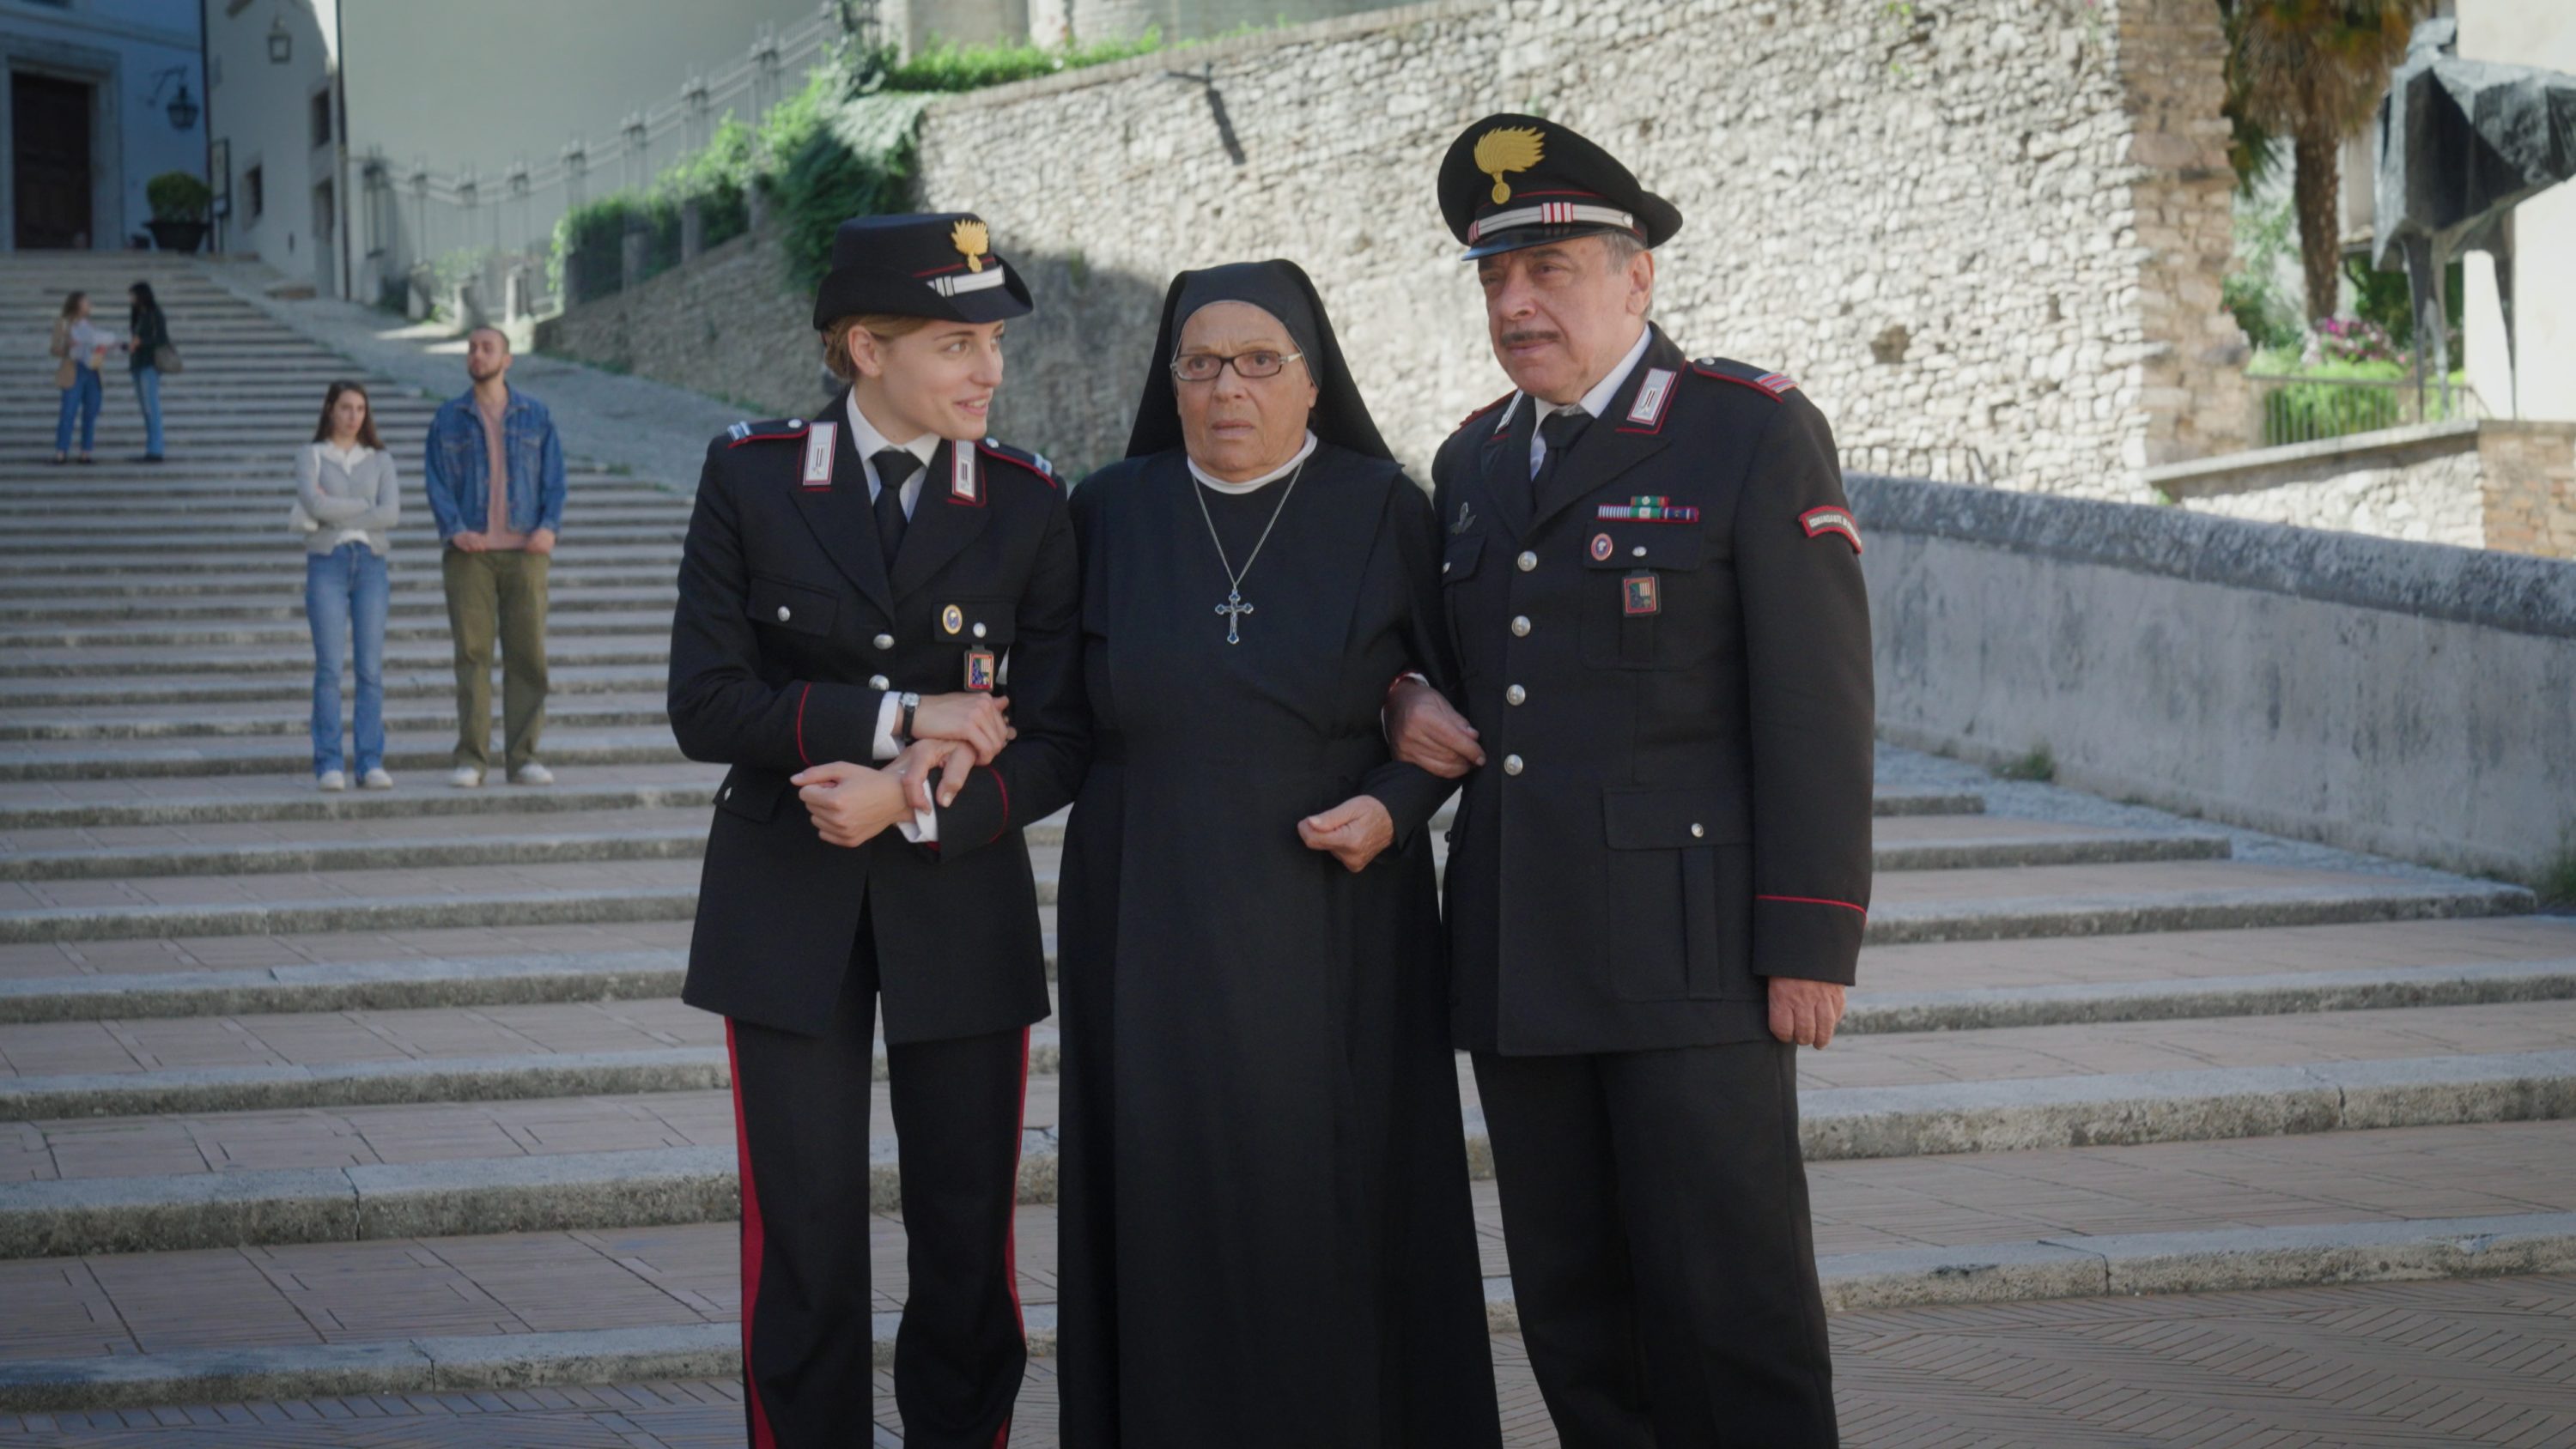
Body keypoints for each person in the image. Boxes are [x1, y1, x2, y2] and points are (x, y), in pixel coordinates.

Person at [1386, 115, 1873, 1446]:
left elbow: (1819, 705)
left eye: (1551, 270)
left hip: (1692, 953)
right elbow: (1445, 673)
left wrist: (1810, 936)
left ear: (1638, 277)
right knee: (1574, 1307)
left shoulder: (1745, 432)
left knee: (1731, 1301)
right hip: (1518, 949)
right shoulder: (1474, 461)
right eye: (1495, 279)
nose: (1518, 302)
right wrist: (1401, 698)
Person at [1052, 261, 1501, 1449]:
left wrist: (1395, 806)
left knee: (1334, 1207)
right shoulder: (1110, 510)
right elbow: (1052, 723)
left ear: (1314, 380)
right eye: (1198, 364)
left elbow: (1453, 713)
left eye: (1259, 363)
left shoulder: (1381, 506)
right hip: (1145, 922)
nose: (1225, 389)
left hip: (1336, 924)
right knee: (1164, 1206)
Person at [666, 212, 1083, 1447]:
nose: (989, 371)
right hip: (782, 905)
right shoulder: (749, 475)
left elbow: (1062, 735)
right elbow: (705, 702)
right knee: (802, 1241)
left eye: (992, 344)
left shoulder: (1028, 503)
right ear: (864, 347)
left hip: (959, 901)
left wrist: (903, 794)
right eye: (958, 343)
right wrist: (902, 716)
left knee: (966, 1240)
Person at [423, 326, 564, 788]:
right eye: (472, 348)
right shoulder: (449, 418)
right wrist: (456, 530)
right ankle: (472, 759)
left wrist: (548, 526)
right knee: (472, 654)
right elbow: (436, 480)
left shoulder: (536, 416)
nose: (476, 355)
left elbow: (555, 477)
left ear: (507, 359)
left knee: (528, 656)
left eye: (487, 348)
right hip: (471, 555)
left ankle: (523, 757)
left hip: (526, 552)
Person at [297, 381, 400, 792]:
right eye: (345, 407)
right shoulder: (311, 456)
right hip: (327, 564)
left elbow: (390, 514)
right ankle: (329, 762)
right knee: (328, 668)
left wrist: (340, 512)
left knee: (370, 669)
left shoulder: (380, 460)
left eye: (360, 408)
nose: (353, 416)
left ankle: (370, 760)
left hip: (371, 566)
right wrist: (363, 508)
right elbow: (313, 505)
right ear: (329, 410)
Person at [49, 292, 112, 465]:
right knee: (68, 411)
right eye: (86, 302)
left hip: (92, 370)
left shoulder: (90, 324)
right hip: (73, 369)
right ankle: (61, 452)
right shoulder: (63, 324)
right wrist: (67, 347)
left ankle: (86, 452)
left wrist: (102, 349)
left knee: (90, 412)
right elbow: (54, 348)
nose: (89, 305)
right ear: (77, 304)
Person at [125, 282, 171, 464]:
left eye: (133, 295)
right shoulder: (138, 314)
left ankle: (156, 449)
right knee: (146, 408)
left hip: (150, 364)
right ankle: (151, 447)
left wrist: (141, 342)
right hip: (137, 362)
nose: (131, 299)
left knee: (152, 407)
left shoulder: (154, 313)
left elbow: (161, 338)